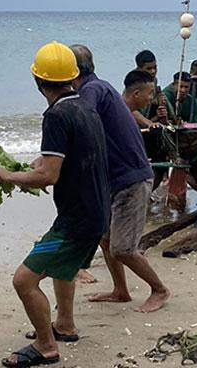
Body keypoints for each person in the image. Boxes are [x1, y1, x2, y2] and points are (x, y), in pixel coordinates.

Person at [0, 41, 110, 367]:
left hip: (77, 221)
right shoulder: (85, 107)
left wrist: (8, 176)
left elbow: (48, 176)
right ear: (73, 78)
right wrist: (42, 161)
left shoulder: (56, 115)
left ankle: (46, 347)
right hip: (98, 212)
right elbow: (72, 156)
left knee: (24, 281)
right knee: (64, 268)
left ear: (37, 81)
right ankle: (65, 325)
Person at [69, 46, 170, 313]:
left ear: (72, 71)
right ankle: (121, 291)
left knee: (123, 248)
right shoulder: (98, 88)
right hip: (115, 179)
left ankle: (160, 290)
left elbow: (82, 126)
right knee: (105, 238)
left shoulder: (91, 91)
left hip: (131, 180)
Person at [131, 50, 173, 127]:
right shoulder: (133, 82)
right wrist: (149, 124)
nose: (153, 71)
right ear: (139, 69)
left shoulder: (154, 80)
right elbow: (131, 109)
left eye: (155, 67)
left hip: (148, 116)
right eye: (149, 68)